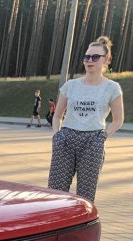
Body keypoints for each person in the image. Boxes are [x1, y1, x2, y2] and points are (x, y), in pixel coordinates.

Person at [48, 36, 124, 202]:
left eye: (95, 57)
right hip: (66, 139)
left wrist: (102, 137)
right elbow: (57, 115)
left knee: (85, 195)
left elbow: (118, 119)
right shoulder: (71, 85)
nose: (90, 60)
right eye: (87, 57)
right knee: (55, 191)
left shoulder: (111, 88)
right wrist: (57, 135)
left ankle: (80, 227)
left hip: (92, 141)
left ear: (106, 60)